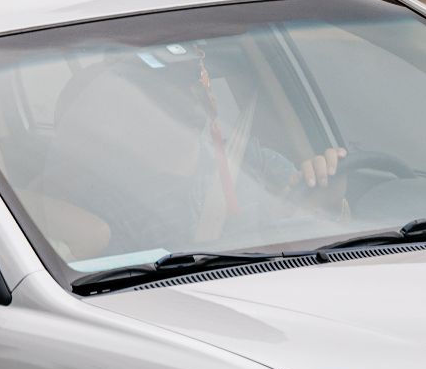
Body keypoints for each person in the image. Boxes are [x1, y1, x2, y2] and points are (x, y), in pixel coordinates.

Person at [32, 53, 349, 265]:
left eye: (196, 77)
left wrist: (328, 204)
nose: (195, 88)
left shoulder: (253, 161)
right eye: (165, 84)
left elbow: (316, 243)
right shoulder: (105, 200)